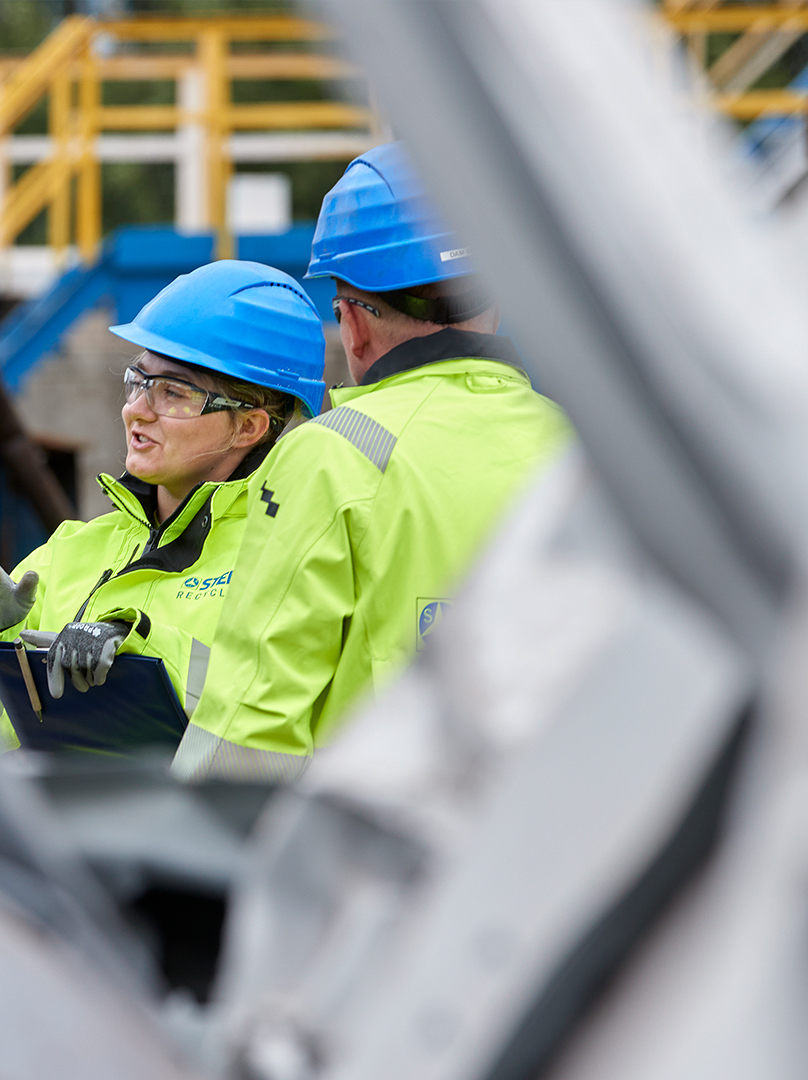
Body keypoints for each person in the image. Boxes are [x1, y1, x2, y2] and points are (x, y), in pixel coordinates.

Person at [174, 142, 571, 782]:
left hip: (387, 861)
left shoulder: (335, 455)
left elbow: (251, 719)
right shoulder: (583, 452)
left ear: (353, 325)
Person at [0, 261, 327, 744]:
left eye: (174, 393)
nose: (136, 410)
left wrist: (138, 644)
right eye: (137, 381)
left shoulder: (293, 560)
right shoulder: (67, 553)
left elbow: (272, 703)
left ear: (249, 426)